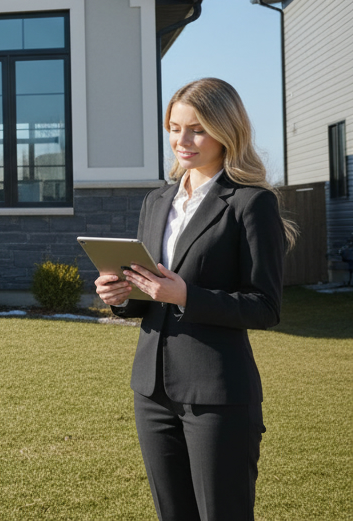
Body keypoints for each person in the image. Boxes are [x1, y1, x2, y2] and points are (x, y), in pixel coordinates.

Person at [95, 77, 293, 521]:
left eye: (197, 129)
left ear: (226, 131)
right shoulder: (156, 200)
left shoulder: (249, 203)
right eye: (174, 126)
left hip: (218, 395)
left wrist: (188, 295)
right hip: (151, 390)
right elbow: (148, 291)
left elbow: (266, 306)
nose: (181, 140)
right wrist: (120, 296)